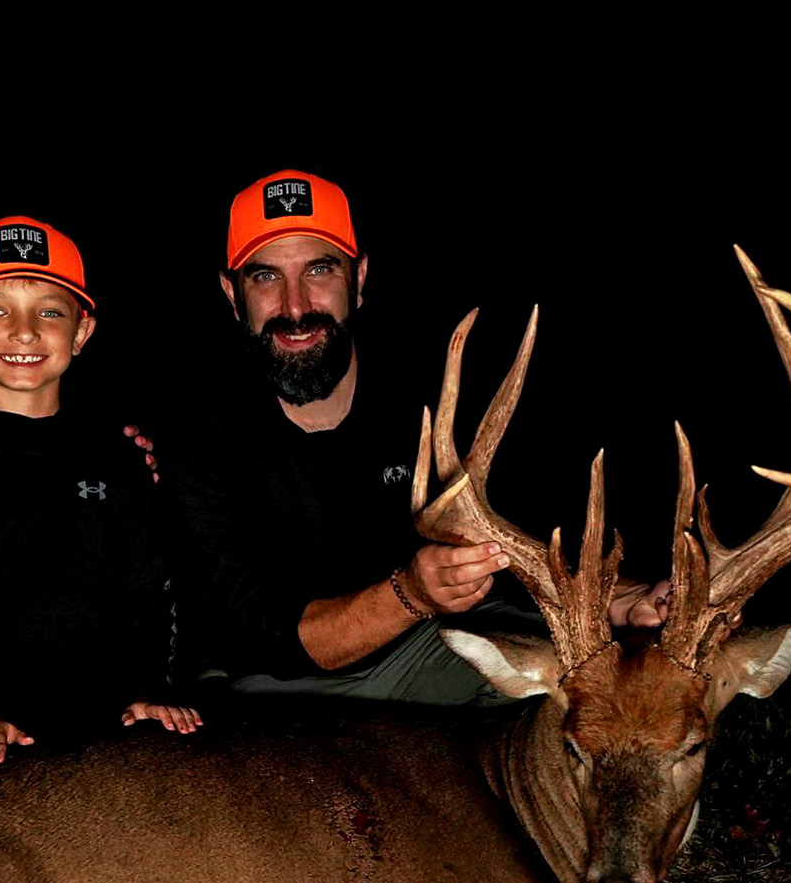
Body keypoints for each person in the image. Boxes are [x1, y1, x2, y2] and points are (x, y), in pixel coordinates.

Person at [160, 168, 667, 703]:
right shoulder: (195, 435)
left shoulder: (436, 403)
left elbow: (515, 541)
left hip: (425, 653)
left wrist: (621, 598)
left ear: (358, 279)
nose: (294, 306)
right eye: (265, 277)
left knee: (585, 688)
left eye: (319, 270)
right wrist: (410, 593)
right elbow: (261, 632)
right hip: (279, 687)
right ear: (231, 294)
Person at [0, 216, 199, 770]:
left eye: (50, 311)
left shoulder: (120, 457)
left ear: (81, 332)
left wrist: (148, 690)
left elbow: (149, 595)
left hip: (112, 727)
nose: (24, 331)